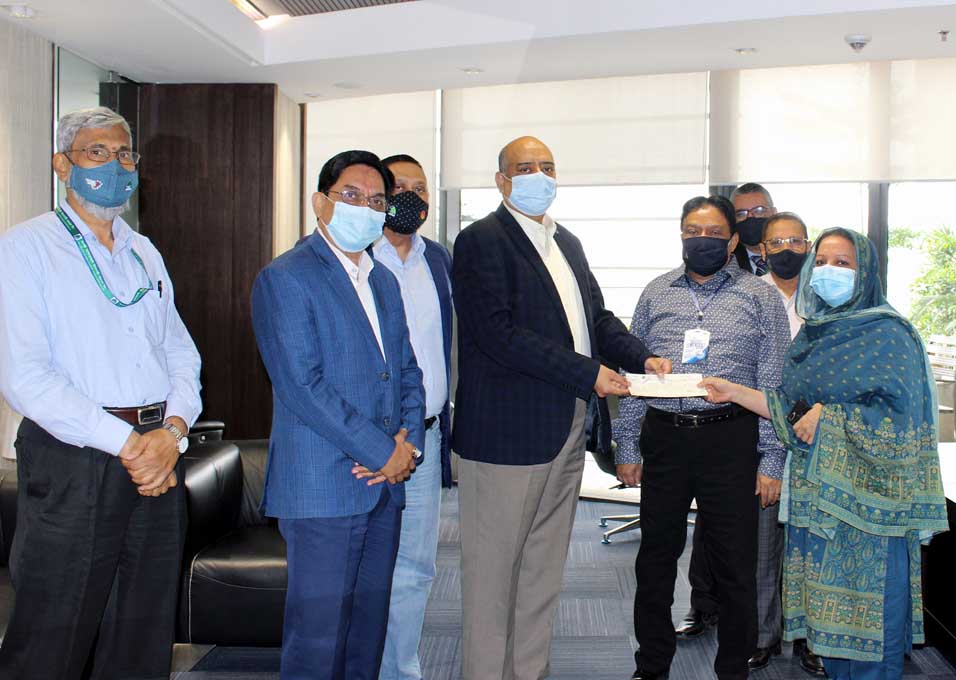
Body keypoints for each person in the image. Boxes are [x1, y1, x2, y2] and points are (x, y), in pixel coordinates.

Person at [452, 135, 670, 680]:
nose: (539, 176)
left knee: (543, 568)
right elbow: (497, 334)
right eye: (525, 167)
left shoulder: (565, 241)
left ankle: (528, 672)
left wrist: (642, 357)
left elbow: (595, 319)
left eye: (547, 167)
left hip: (567, 426)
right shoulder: (481, 240)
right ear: (501, 180)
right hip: (506, 436)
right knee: (493, 578)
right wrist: (588, 373)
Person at [0, 106, 202, 678]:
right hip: (75, 457)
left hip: (157, 453)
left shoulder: (144, 251)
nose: (115, 166)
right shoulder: (24, 248)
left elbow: (181, 354)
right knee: (53, 632)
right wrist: (131, 445)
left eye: (124, 155)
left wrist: (172, 433)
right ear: (62, 165)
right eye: (97, 153)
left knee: (143, 628)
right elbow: (26, 377)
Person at [700, 227, 948, 680]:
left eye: (843, 263)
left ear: (866, 272)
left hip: (871, 509)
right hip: (817, 502)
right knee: (829, 629)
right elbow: (789, 409)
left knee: (871, 632)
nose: (828, 271)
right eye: (823, 262)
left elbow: (905, 421)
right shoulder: (813, 334)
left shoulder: (890, 333)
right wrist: (734, 392)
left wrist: (828, 417)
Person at [252, 150, 425, 680]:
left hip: (384, 486)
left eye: (376, 200)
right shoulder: (286, 277)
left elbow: (407, 371)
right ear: (320, 203)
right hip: (322, 486)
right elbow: (302, 387)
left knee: (366, 635)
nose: (365, 208)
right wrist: (382, 451)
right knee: (318, 640)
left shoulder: (382, 280)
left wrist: (408, 447)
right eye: (352, 195)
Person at [615, 195, 790, 680]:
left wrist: (770, 461)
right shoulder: (656, 293)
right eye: (694, 231)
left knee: (735, 566)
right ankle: (651, 666)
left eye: (714, 234)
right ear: (681, 234)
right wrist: (627, 445)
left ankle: (732, 670)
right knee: (655, 559)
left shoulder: (760, 297)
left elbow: (773, 383)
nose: (703, 240)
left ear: (732, 242)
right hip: (665, 440)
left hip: (730, 440)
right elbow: (634, 374)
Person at [371, 153, 453, 680]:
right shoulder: (355, 255)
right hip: (366, 444)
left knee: (416, 569)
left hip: (424, 439)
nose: (410, 196)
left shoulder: (438, 259)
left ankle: (401, 671)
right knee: (363, 565)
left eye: (419, 188)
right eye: (398, 186)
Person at [731, 182, 777, 275]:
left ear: (774, 213)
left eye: (759, 210)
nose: (750, 217)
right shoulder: (725, 261)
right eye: (741, 213)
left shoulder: (793, 254)